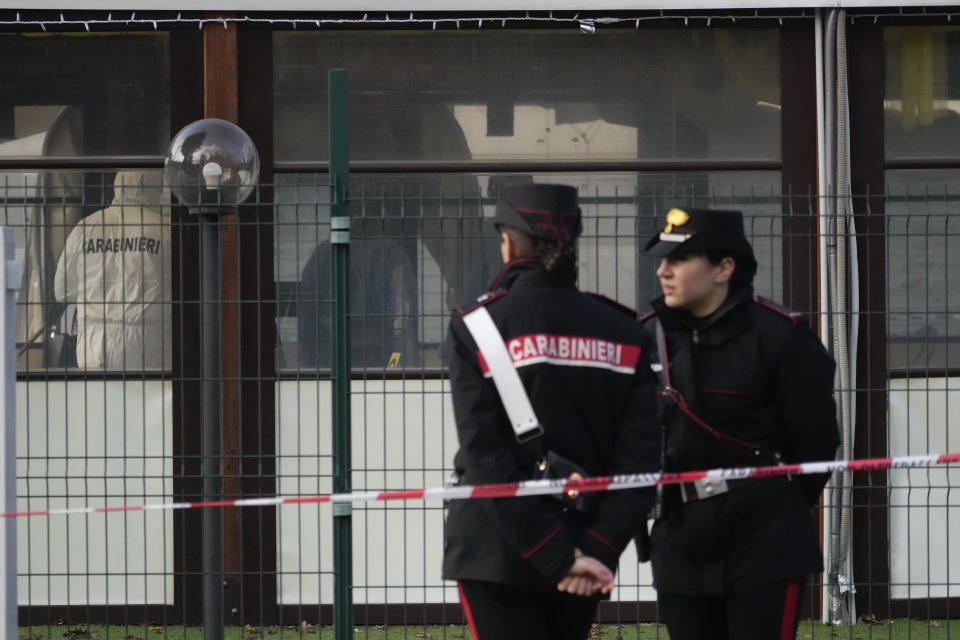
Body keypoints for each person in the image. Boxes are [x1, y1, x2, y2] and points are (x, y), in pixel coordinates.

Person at [442, 183, 661, 640]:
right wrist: (595, 550)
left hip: (497, 552)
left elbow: (486, 457)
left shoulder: (478, 328)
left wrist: (554, 555)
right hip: (587, 539)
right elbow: (639, 466)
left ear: (507, 243)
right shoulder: (624, 331)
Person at [640, 207, 841, 640]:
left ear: (724, 268)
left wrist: (771, 503)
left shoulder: (781, 337)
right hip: (680, 539)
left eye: (678, 260)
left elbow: (817, 442)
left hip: (763, 539)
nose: (662, 271)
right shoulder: (649, 338)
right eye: (662, 260)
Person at [53, 169, 171, 370]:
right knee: (149, 399)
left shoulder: (86, 227)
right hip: (149, 346)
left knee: (99, 400)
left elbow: (62, 291)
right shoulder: (166, 229)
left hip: (94, 342)